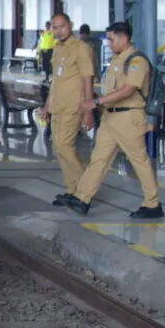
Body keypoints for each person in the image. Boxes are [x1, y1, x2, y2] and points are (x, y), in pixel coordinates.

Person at [54, 22, 164, 219]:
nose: (109, 44)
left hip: (129, 118)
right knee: (99, 159)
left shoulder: (137, 61)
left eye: (112, 40)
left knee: (140, 162)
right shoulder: (116, 60)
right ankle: (82, 198)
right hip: (111, 117)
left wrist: (96, 102)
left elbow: (128, 90)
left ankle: (152, 204)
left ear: (124, 38)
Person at [39, 13, 95, 198]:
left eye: (62, 26)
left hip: (73, 106)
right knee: (59, 149)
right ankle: (72, 189)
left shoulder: (81, 48)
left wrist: (88, 110)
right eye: (55, 27)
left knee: (64, 146)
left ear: (70, 24)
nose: (59, 31)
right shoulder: (57, 48)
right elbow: (56, 80)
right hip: (57, 106)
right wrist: (47, 106)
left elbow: (88, 80)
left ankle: (84, 192)